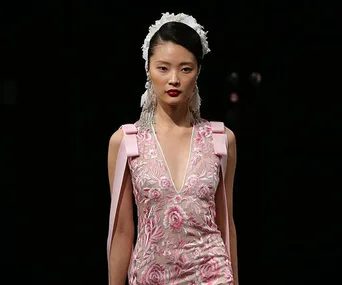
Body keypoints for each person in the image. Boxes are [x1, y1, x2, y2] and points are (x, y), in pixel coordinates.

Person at [107, 12, 239, 285]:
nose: (174, 79)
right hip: (150, 276)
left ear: (198, 71)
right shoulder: (126, 141)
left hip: (212, 275)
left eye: (186, 68)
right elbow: (122, 232)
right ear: (148, 69)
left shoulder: (221, 139)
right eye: (163, 68)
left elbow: (226, 223)